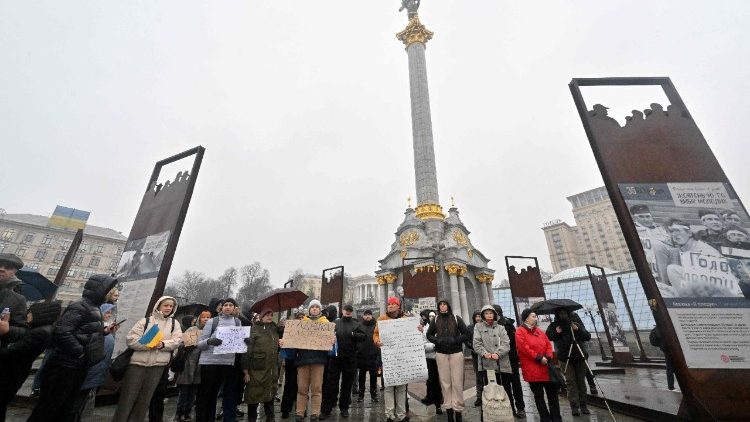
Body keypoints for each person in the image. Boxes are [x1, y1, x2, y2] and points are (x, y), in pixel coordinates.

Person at [27, 274, 118, 422]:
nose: (109, 292)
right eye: (107, 289)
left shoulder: (93, 307)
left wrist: (103, 331)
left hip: (77, 367)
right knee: (49, 408)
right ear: (98, 290)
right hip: (64, 366)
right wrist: (80, 353)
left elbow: (84, 330)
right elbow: (63, 331)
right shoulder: (79, 306)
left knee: (65, 408)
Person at [112, 296, 182, 422]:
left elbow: (177, 341)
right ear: (159, 305)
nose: (168, 308)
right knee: (127, 399)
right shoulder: (146, 321)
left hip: (158, 366)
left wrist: (162, 345)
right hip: (137, 365)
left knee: (144, 400)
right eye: (166, 305)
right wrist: (149, 345)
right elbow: (131, 339)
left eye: (171, 306)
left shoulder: (174, 324)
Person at [0, 301, 60, 421]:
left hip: (11, 373)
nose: (27, 315)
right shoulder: (44, 329)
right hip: (16, 372)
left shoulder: (40, 333)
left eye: (30, 312)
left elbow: (14, 351)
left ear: (39, 314)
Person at [374, 296, 423, 422]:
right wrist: (377, 341)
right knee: (389, 387)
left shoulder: (406, 319)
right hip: (388, 358)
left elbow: (415, 333)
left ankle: (401, 415)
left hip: (402, 358)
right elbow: (376, 334)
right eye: (389, 304)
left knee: (401, 388)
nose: (389, 305)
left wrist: (419, 330)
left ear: (398, 306)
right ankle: (390, 415)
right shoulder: (381, 319)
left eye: (392, 304)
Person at [195, 298, 244, 422]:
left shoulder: (237, 322)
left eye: (230, 305)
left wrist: (245, 342)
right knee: (204, 395)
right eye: (225, 305)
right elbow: (200, 344)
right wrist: (210, 341)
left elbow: (237, 345)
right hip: (209, 362)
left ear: (234, 308)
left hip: (226, 363)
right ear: (221, 308)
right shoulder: (213, 321)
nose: (227, 307)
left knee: (214, 395)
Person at [69, 303, 118, 422]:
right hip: (89, 370)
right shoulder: (94, 327)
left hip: (98, 371)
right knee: (76, 402)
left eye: (110, 312)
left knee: (83, 402)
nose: (109, 315)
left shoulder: (105, 329)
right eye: (106, 312)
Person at [289, 300, 332, 422]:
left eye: (316, 307)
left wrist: (332, 340)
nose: (314, 309)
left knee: (317, 389)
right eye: (312, 307)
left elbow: (330, 343)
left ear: (319, 310)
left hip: (318, 360)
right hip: (303, 360)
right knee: (302, 388)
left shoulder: (326, 324)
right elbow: (293, 340)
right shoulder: (302, 323)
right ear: (309, 310)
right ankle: (300, 413)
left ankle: (315, 413)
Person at [426, 299, 468, 422]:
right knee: (445, 383)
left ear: (448, 306)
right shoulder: (436, 319)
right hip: (441, 353)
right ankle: (449, 410)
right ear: (439, 307)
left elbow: (466, 333)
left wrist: (455, 340)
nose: (442, 306)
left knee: (457, 382)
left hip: (456, 353)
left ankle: (458, 410)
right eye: (440, 305)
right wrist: (437, 341)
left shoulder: (456, 318)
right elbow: (429, 334)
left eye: (444, 304)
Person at [515, 309, 561, 422]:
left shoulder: (539, 331)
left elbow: (548, 344)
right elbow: (524, 348)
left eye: (536, 316)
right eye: (533, 316)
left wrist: (548, 356)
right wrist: (539, 357)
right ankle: (545, 418)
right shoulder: (520, 331)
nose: (536, 318)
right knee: (539, 397)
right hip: (533, 370)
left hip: (546, 369)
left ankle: (556, 418)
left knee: (553, 396)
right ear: (526, 318)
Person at [321, 304, 363, 419]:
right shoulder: (336, 323)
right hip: (335, 358)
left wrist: (354, 334)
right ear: (343, 311)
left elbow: (363, 336)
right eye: (346, 310)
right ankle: (326, 409)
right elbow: (326, 336)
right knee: (331, 384)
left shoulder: (356, 323)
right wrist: (331, 338)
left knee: (347, 385)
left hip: (350, 359)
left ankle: (344, 408)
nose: (348, 312)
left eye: (350, 311)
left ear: (352, 312)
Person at [546, 309, 591, 416]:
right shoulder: (555, 325)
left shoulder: (575, 322)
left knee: (581, 381)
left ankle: (583, 405)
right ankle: (574, 406)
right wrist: (556, 332)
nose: (563, 315)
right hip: (564, 358)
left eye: (564, 313)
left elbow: (587, 336)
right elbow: (548, 336)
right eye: (560, 313)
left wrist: (578, 329)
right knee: (570, 382)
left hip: (579, 356)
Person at [473, 305, 514, 411]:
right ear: (482, 315)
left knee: (505, 389)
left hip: (502, 364)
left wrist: (498, 353)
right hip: (486, 363)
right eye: (486, 313)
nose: (489, 315)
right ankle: (490, 413)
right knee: (489, 390)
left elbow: (506, 344)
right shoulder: (478, 327)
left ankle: (508, 411)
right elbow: (476, 343)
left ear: (495, 315)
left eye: (491, 313)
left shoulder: (501, 328)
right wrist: (484, 353)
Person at [243, 308, 280, 422]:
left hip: (271, 368)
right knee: (254, 395)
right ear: (261, 316)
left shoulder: (275, 330)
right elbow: (247, 350)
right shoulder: (254, 329)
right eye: (267, 315)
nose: (269, 317)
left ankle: (270, 418)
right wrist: (245, 370)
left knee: (270, 393)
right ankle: (252, 419)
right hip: (256, 368)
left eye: (271, 315)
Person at [174, 311, 210, 422]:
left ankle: (187, 413)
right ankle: (179, 413)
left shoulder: (210, 331)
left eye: (208, 317)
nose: (206, 319)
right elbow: (181, 344)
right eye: (204, 317)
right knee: (184, 390)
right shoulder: (192, 329)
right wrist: (187, 345)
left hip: (201, 365)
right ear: (199, 318)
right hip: (188, 364)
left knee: (193, 392)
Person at [492, 305, 526, 418]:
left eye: (492, 313)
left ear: (498, 313)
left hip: (511, 359)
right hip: (499, 361)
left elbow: (511, 342)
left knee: (516, 384)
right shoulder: (491, 325)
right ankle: (509, 407)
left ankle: (520, 408)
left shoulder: (507, 324)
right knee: (504, 386)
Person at [280, 310, 305, 419]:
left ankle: (301, 409)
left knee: (302, 386)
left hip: (303, 359)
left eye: (302, 318)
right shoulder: (290, 328)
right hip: (292, 359)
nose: (301, 319)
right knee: (289, 384)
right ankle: (286, 409)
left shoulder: (307, 329)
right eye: (299, 317)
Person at [0, 253, 28, 348]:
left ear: (14, 272)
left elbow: (23, 331)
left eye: (8, 267)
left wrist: (7, 330)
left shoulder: (18, 299)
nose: (2, 269)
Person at [419, 311, 442, 415]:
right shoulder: (424, 329)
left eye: (434, 316)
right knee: (430, 379)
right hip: (429, 358)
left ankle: (439, 399)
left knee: (439, 380)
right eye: (430, 316)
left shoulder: (440, 326)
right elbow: (423, 344)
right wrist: (434, 346)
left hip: (441, 357)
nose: (432, 318)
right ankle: (432, 398)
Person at [356, 309, 380, 404]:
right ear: (363, 316)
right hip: (362, 355)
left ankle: (373, 394)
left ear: (372, 315)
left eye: (369, 315)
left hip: (373, 355)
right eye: (366, 315)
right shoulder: (359, 325)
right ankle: (361, 394)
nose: (367, 316)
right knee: (361, 376)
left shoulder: (376, 326)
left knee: (373, 376)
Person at [649, 325, 677, 391]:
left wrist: (661, 345)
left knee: (669, 368)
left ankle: (671, 386)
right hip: (670, 348)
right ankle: (672, 386)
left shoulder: (656, 328)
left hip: (666, 349)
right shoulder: (662, 327)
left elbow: (656, 340)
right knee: (671, 368)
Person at [466, 310, 483, 406]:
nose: (478, 318)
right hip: (476, 355)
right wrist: (471, 346)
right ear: (474, 318)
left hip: (486, 355)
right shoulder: (470, 328)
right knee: (478, 376)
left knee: (488, 375)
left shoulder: (486, 326)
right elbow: (466, 339)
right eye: (476, 316)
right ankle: (479, 397)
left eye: (480, 316)